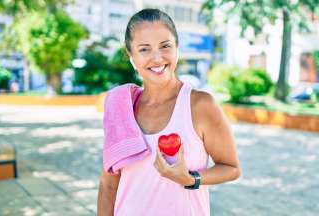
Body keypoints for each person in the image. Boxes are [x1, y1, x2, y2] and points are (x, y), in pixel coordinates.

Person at [97, 8, 241, 216]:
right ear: (131, 57)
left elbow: (231, 168)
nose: (157, 58)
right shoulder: (121, 109)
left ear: (177, 49)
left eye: (165, 46)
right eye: (144, 49)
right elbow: (108, 185)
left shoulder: (200, 105)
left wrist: (191, 179)